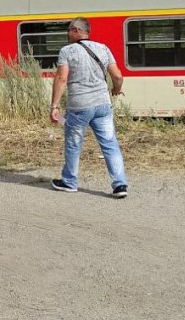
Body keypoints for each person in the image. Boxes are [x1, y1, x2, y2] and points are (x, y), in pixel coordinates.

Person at [49, 17, 128, 198]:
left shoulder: (67, 51)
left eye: (69, 29)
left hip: (79, 107)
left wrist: (54, 106)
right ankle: (120, 185)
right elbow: (117, 76)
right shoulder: (103, 48)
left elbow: (61, 79)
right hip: (103, 105)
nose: (67, 33)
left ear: (76, 31)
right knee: (110, 144)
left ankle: (69, 182)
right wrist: (116, 90)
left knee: (73, 144)